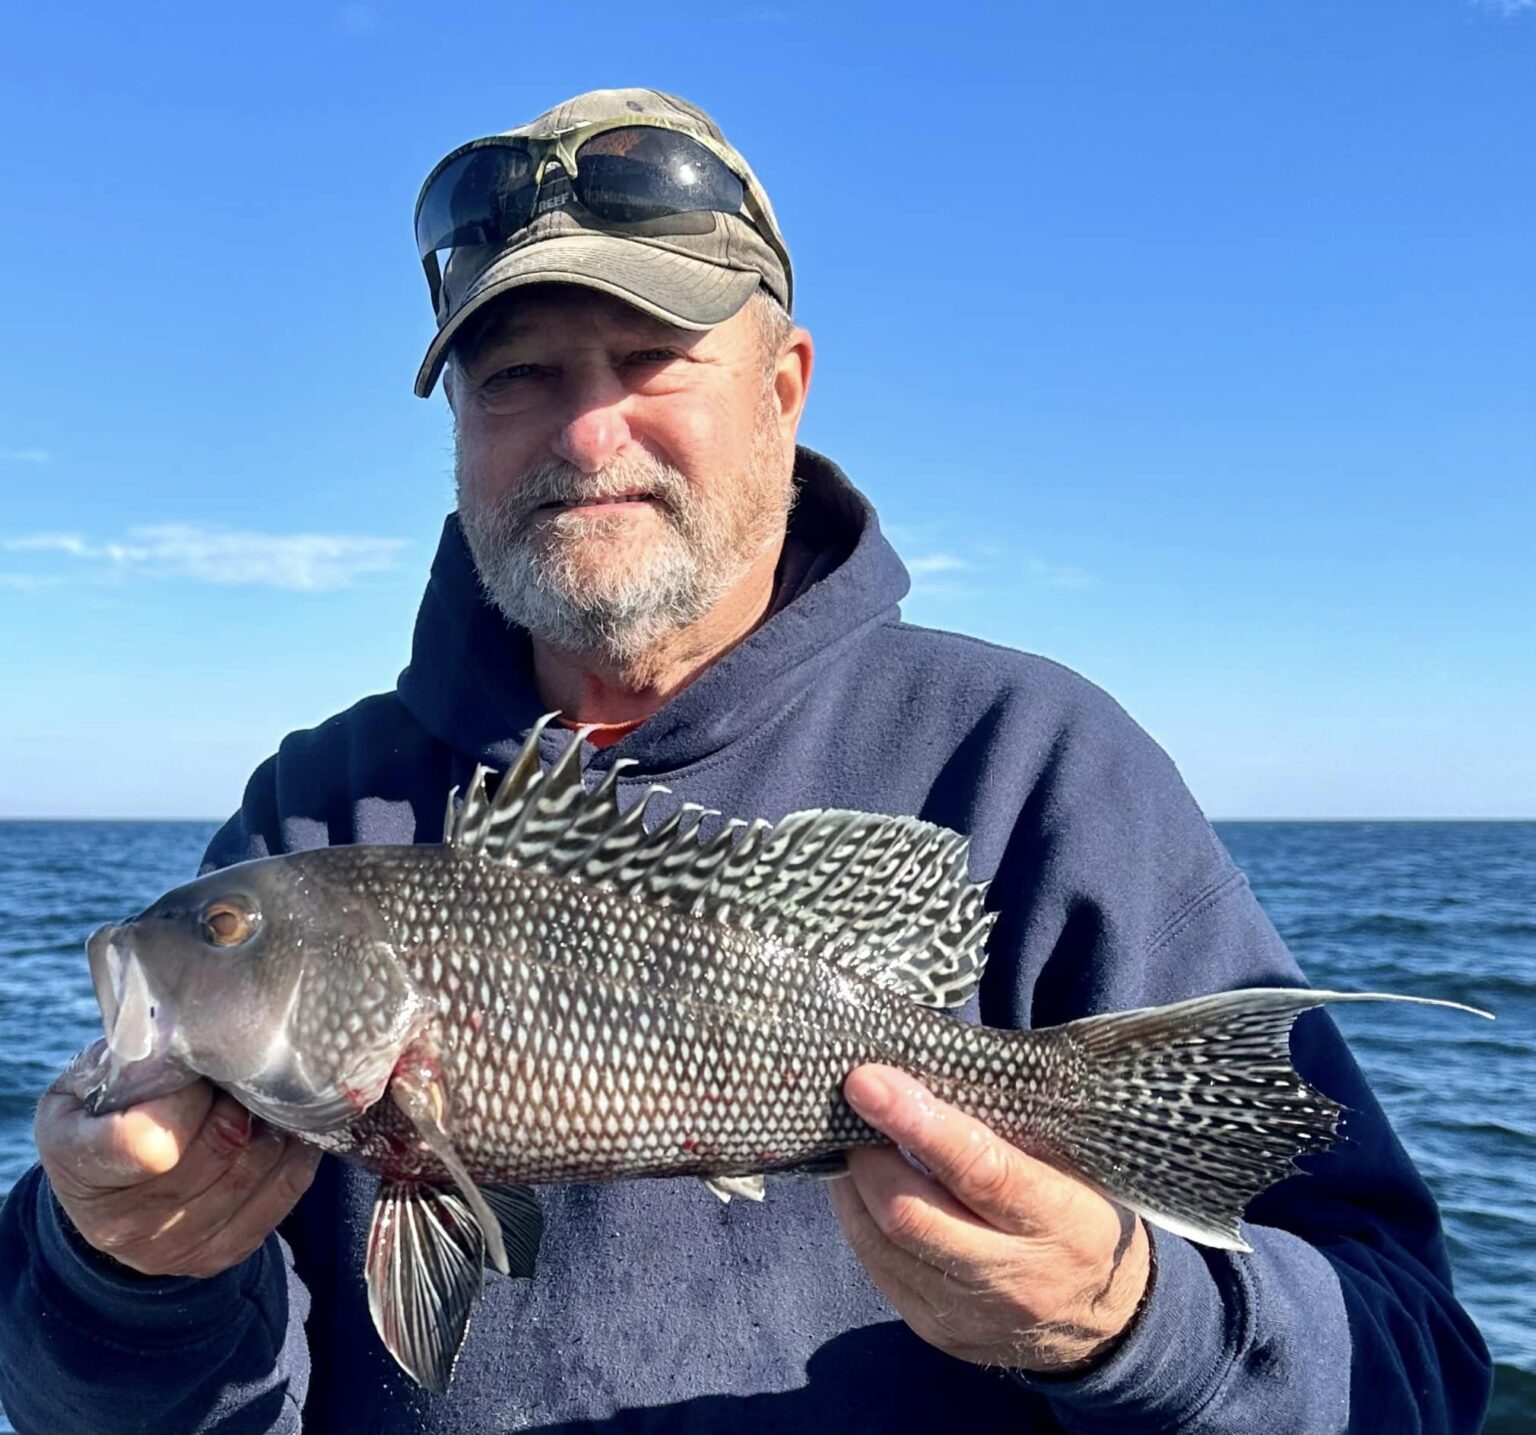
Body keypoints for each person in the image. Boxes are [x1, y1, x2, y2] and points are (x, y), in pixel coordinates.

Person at [0, 88, 1491, 1434]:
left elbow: (1407, 1369)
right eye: (515, 374)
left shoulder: (1036, 765)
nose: (586, 432)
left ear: (784, 387)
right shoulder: (318, 809)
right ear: (457, 425)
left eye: (652, 357)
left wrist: (1124, 1321)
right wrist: (125, 1273)